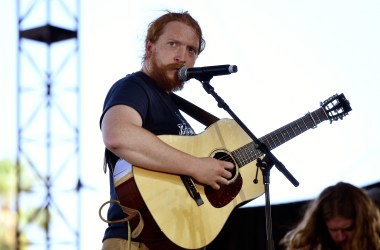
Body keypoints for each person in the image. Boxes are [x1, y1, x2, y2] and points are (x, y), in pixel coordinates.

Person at [99, 11, 234, 250]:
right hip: (136, 240)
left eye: (191, 50)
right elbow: (117, 135)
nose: (182, 56)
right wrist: (196, 166)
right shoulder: (133, 87)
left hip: (176, 238)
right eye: (173, 44)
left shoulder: (173, 106)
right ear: (150, 47)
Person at [280, 182, 380, 250]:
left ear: (363, 223)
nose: (341, 237)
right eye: (334, 230)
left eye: (348, 228)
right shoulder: (313, 243)